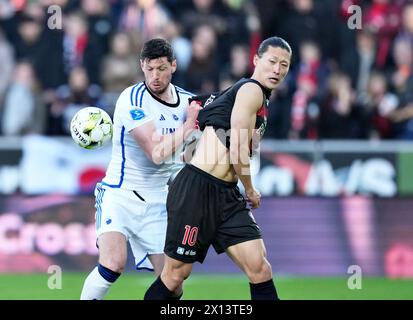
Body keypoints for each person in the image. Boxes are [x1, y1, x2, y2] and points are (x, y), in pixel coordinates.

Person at [144, 36, 292, 300]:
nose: (277, 70)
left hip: (225, 193)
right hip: (198, 190)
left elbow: (199, 103)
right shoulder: (251, 90)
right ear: (256, 60)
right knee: (175, 275)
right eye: (272, 61)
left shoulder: (236, 92)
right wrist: (250, 189)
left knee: (259, 268)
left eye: (284, 65)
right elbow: (236, 148)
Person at [80, 38, 201, 300]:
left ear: (174, 66)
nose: (154, 76)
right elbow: (156, 153)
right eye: (149, 69)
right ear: (141, 66)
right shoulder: (132, 99)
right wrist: (188, 126)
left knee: (174, 281)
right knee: (113, 263)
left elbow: (200, 150)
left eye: (161, 68)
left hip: (159, 201)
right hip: (120, 194)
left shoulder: (188, 103)